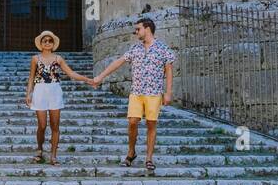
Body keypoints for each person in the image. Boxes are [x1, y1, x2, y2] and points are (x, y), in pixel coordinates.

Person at [93, 17, 174, 174]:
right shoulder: (135, 49)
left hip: (154, 93)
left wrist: (168, 93)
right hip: (136, 92)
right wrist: (100, 77)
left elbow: (169, 71)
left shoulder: (163, 49)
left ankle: (149, 158)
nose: (136, 32)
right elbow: (118, 62)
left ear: (147, 29)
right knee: (132, 122)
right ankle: (131, 152)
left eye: (138, 29)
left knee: (151, 124)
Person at [25, 31, 93, 164]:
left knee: (55, 125)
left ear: (53, 43)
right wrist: (29, 93)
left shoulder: (58, 59)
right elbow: (31, 77)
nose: (47, 43)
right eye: (45, 40)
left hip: (55, 91)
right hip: (40, 90)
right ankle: (39, 150)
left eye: (50, 40)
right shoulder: (35, 59)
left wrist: (87, 80)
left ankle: (53, 155)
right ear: (41, 43)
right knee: (42, 125)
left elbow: (71, 73)